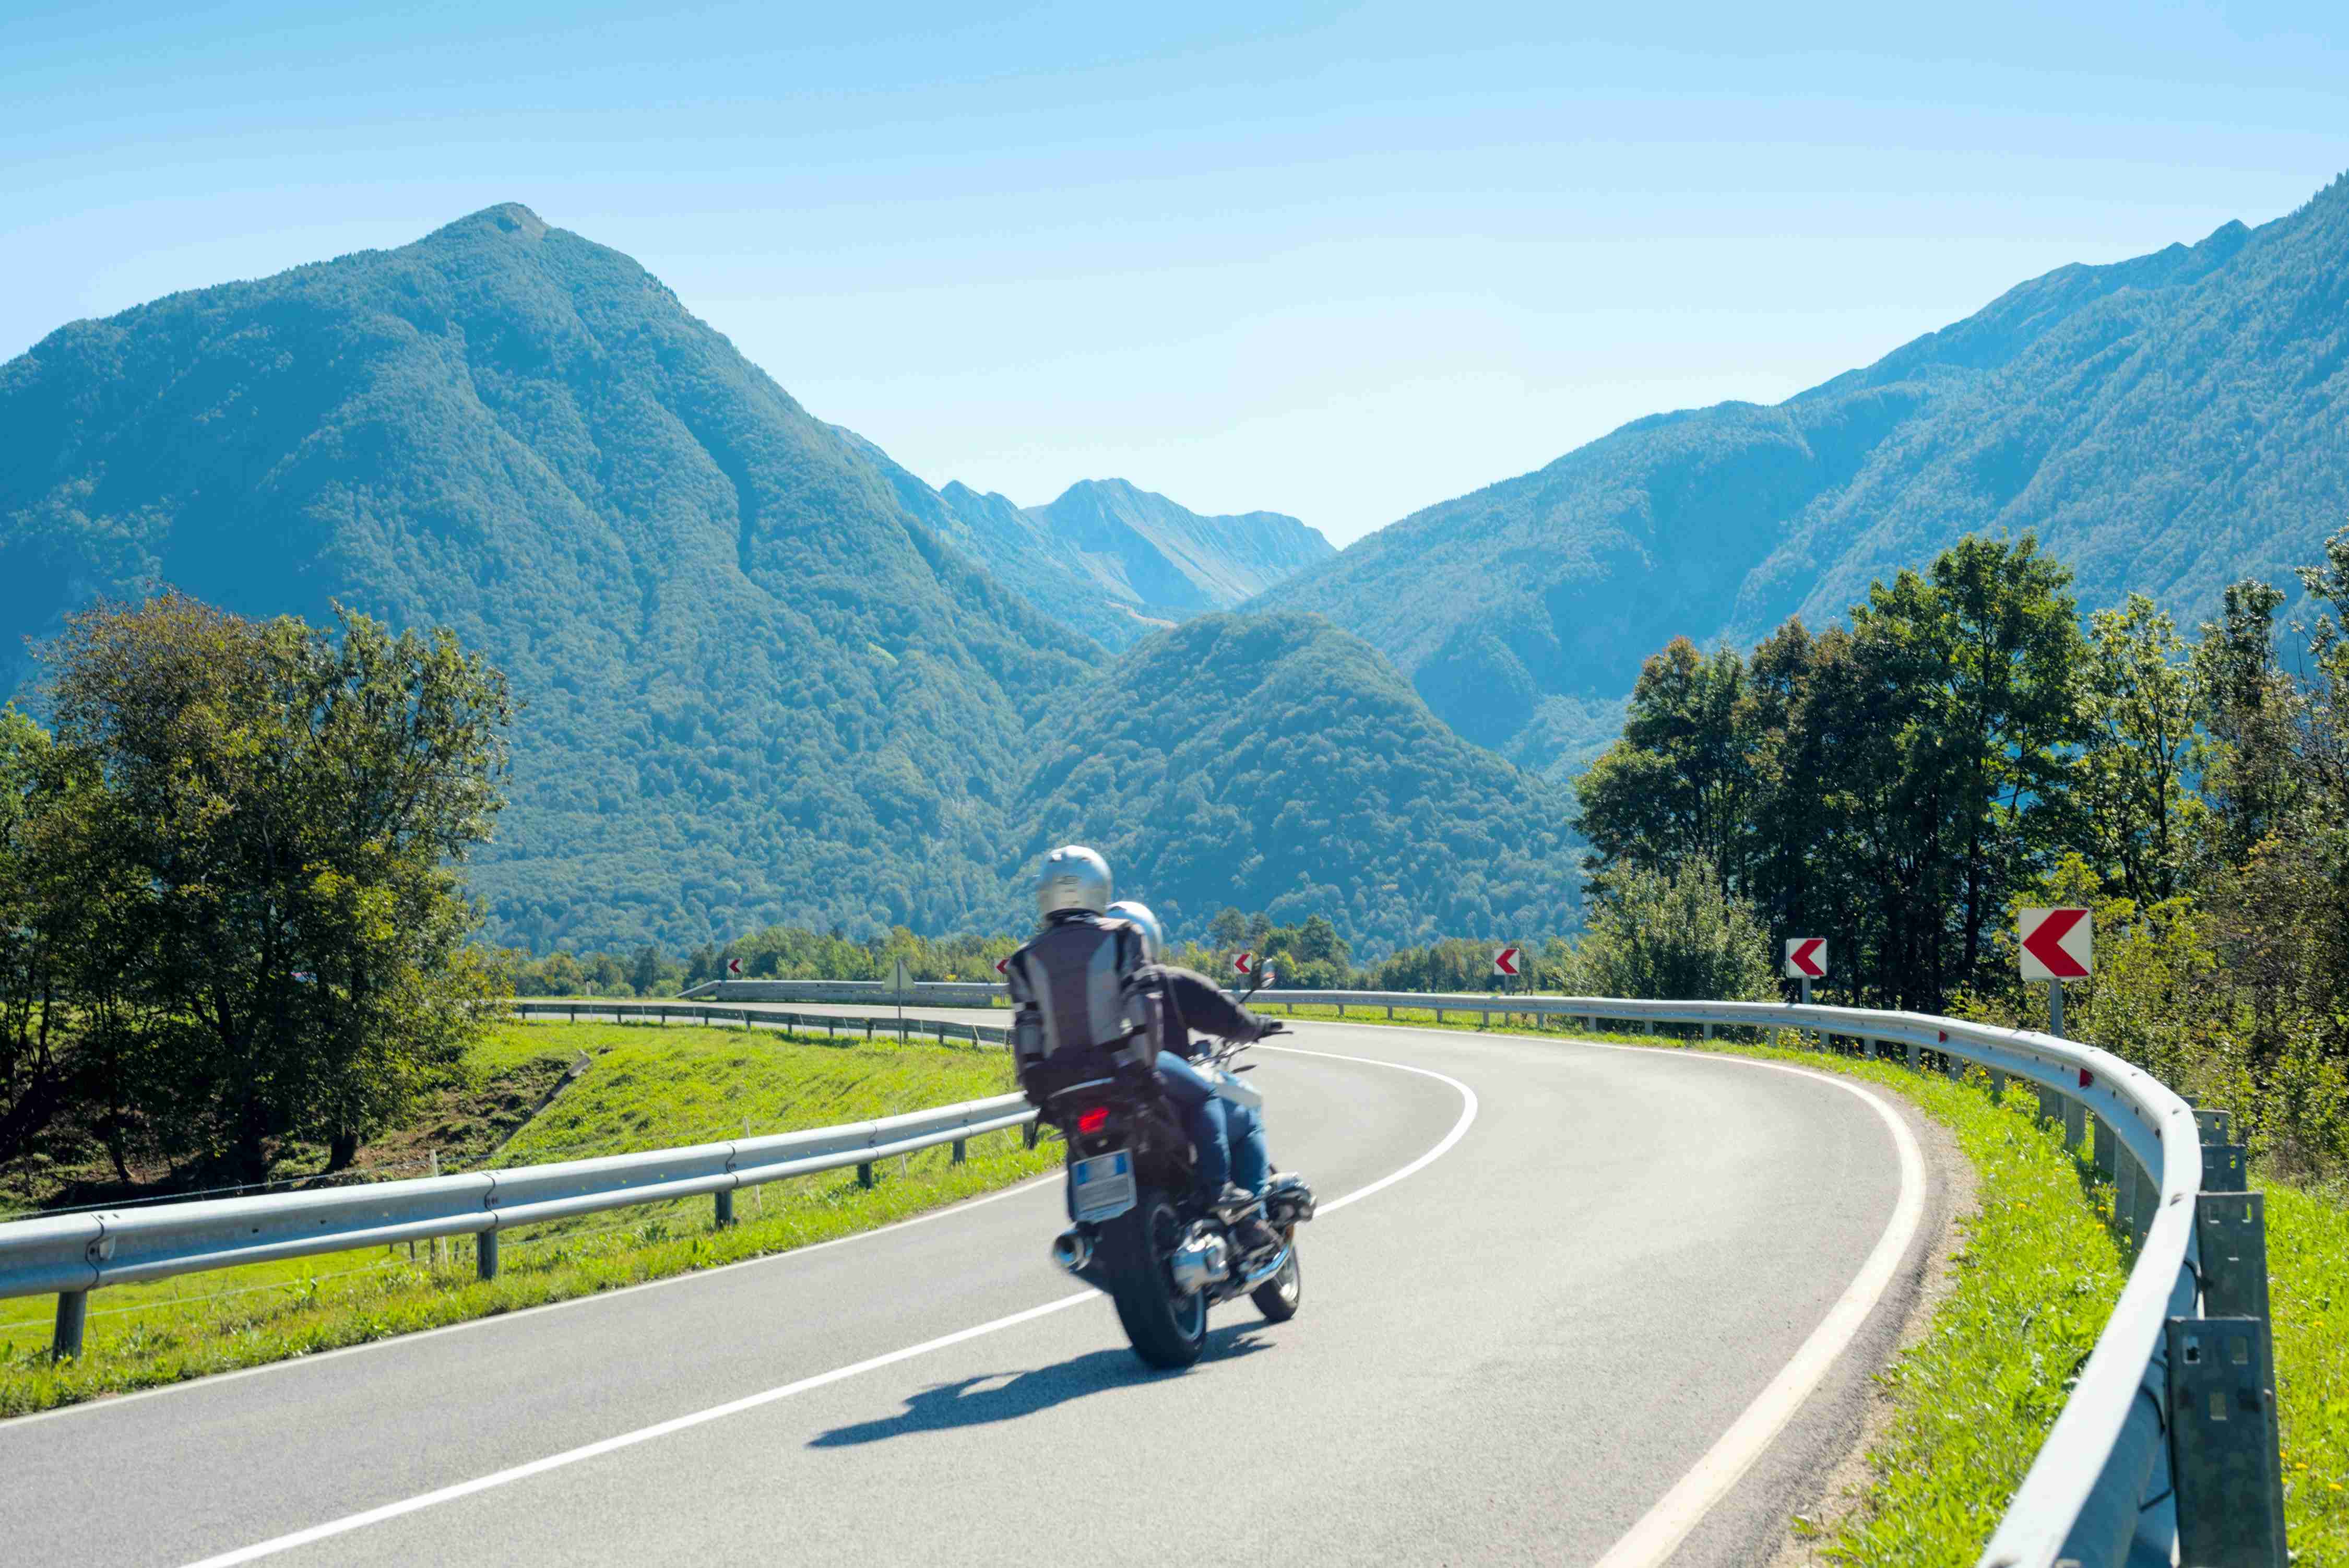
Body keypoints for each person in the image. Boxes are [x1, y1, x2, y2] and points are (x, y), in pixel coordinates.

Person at [1104, 898, 1283, 1255]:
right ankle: (1250, 1221)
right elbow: (1230, 1020)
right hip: (1164, 1097)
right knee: (1246, 1120)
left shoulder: (1090, 998)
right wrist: (1259, 1027)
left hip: (1107, 1100)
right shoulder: (1167, 983)